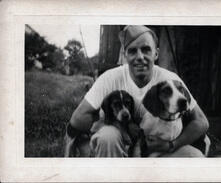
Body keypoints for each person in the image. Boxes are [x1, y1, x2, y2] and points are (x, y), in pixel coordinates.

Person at [65, 25, 209, 157]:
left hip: (160, 147)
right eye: (132, 51)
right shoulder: (110, 78)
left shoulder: (170, 80)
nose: (140, 57)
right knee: (108, 136)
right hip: (119, 145)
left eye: (146, 49)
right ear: (124, 55)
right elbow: (78, 118)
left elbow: (201, 121)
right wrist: (121, 127)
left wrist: (171, 145)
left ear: (156, 54)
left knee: (193, 156)